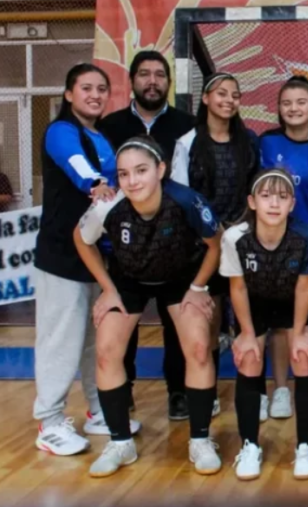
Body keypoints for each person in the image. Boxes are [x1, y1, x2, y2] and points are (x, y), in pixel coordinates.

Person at [74, 136, 223, 477]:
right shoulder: (109, 206)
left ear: (160, 169)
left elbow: (216, 243)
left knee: (199, 348)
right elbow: (81, 240)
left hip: (181, 278)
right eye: (124, 174)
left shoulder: (185, 200)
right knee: (106, 351)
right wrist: (107, 288)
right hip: (128, 279)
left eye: (141, 171)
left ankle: (200, 440)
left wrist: (198, 287)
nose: (132, 181)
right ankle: (120, 443)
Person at [33, 63, 139, 456]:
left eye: (101, 89)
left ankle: (99, 411)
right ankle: (49, 421)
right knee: (61, 339)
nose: (95, 95)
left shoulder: (103, 135)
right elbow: (78, 164)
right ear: (69, 94)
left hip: (97, 257)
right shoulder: (61, 131)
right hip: (62, 257)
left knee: (97, 338)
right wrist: (94, 183)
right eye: (86, 88)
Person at [100, 50, 196, 419]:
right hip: (127, 245)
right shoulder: (110, 126)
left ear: (169, 83)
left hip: (174, 244)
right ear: (132, 81)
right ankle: (123, 389)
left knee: (176, 323)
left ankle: (179, 392)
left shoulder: (186, 125)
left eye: (159, 75)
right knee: (124, 320)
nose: (152, 81)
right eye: (144, 74)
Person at [220, 168, 308, 480]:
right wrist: (246, 333)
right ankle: (250, 445)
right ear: (252, 202)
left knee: (303, 357)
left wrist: (300, 333)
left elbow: (304, 288)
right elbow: (238, 288)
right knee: (249, 358)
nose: (274, 203)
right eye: (266, 196)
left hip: (293, 301)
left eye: (282, 196)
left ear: (292, 203)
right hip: (254, 303)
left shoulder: (305, 236)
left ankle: (306, 446)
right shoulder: (235, 237)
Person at [171, 72, 261, 419]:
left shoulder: (248, 141)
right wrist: (211, 229)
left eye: (235, 95)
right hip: (203, 246)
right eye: (221, 93)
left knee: (249, 321)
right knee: (209, 323)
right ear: (206, 98)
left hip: (242, 240)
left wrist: (240, 225)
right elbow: (180, 194)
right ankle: (206, 394)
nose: (229, 100)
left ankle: (253, 392)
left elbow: (257, 188)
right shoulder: (188, 142)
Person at [259, 76, 308, 420]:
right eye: (286, 103)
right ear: (278, 108)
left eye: (301, 102)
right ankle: (279, 389)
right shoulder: (266, 143)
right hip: (276, 248)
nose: (294, 108)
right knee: (280, 325)